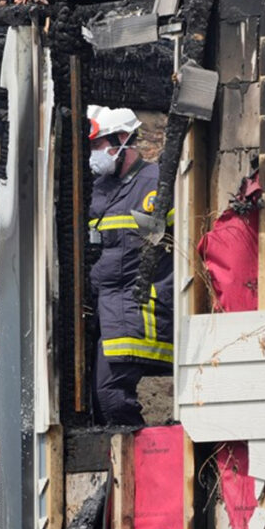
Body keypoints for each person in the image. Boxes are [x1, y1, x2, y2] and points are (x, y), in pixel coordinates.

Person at [87, 106, 173, 427]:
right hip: (103, 310)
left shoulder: (155, 186)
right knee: (96, 405)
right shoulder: (98, 188)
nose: (93, 154)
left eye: (97, 145)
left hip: (135, 308)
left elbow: (148, 251)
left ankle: (142, 460)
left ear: (122, 139)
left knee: (111, 395)